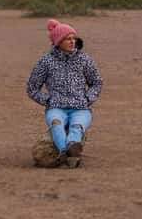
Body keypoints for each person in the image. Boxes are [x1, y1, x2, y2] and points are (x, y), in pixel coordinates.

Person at [26, 19, 103, 168]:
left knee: (77, 126)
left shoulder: (84, 60)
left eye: (74, 38)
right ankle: (68, 154)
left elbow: (97, 82)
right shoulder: (46, 61)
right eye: (68, 39)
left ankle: (68, 151)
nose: (72, 41)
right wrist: (48, 100)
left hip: (80, 108)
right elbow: (32, 87)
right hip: (56, 108)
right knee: (56, 124)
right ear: (58, 41)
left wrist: (87, 98)